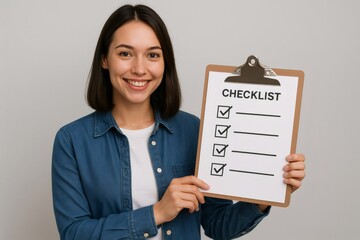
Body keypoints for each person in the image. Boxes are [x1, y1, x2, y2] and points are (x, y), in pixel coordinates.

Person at [52, 4, 306, 240]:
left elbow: (218, 223)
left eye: (153, 55)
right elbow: (74, 233)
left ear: (165, 63)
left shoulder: (193, 130)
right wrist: (156, 213)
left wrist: (267, 192)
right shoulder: (72, 140)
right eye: (125, 53)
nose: (140, 69)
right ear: (104, 59)